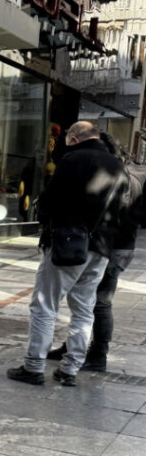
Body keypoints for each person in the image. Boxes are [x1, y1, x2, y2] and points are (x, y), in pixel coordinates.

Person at [7, 121, 126, 387]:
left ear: (73, 138)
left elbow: (50, 201)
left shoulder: (73, 159)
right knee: (84, 308)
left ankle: (34, 366)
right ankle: (70, 369)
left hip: (69, 243)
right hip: (102, 248)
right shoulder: (117, 165)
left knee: (45, 304)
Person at [46, 132, 146, 371]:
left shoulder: (119, 175)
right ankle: (74, 347)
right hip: (119, 244)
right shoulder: (133, 173)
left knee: (99, 301)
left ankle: (98, 354)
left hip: (112, 245)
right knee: (84, 298)